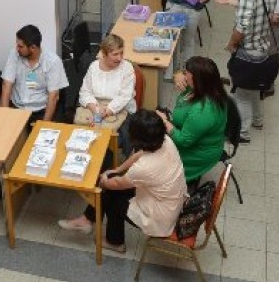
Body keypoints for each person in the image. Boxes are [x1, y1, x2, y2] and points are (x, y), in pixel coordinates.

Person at [57, 109, 188, 254]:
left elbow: (116, 184)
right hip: (168, 197)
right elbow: (139, 154)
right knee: (113, 183)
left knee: (114, 197)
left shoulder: (144, 168)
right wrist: (117, 170)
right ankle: (87, 220)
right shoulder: (164, 141)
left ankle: (115, 242)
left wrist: (104, 179)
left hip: (161, 215)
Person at [215, 0, 278, 142]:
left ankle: (241, 132)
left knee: (242, 94)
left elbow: (242, 26)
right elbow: (261, 11)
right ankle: (258, 120)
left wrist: (232, 44)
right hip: (264, 50)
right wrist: (234, 2)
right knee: (254, 89)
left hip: (248, 52)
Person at [160, 57, 229, 189]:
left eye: (186, 73)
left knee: (154, 159)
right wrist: (177, 75)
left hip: (196, 152)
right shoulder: (205, 89)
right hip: (188, 133)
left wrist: (164, 121)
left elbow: (184, 140)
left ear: (196, 79)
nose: (183, 75)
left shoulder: (203, 110)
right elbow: (179, 76)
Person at [76, 34, 136, 153]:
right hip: (95, 105)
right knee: (82, 129)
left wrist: (104, 113)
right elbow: (85, 92)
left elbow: (124, 97)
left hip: (119, 107)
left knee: (107, 136)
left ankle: (107, 160)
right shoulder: (93, 67)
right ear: (104, 54)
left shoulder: (127, 68)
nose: (119, 58)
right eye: (115, 54)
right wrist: (96, 109)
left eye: (121, 53)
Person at [0, 24, 69, 124]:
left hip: (40, 111)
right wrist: (4, 116)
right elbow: (6, 84)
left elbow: (53, 96)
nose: (17, 48)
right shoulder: (14, 54)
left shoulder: (52, 61)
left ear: (33, 48)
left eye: (20, 46)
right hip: (17, 108)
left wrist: (43, 125)